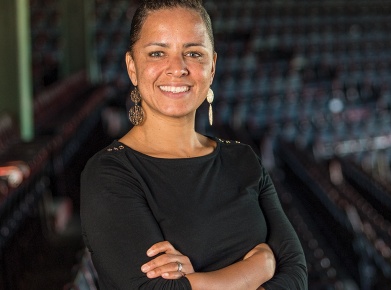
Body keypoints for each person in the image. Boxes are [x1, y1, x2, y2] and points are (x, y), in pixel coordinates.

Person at [80, 0, 308, 289]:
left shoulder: (243, 159)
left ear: (211, 67)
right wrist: (260, 266)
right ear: (133, 67)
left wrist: (195, 282)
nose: (177, 68)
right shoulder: (108, 173)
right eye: (157, 53)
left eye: (193, 53)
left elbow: (297, 274)